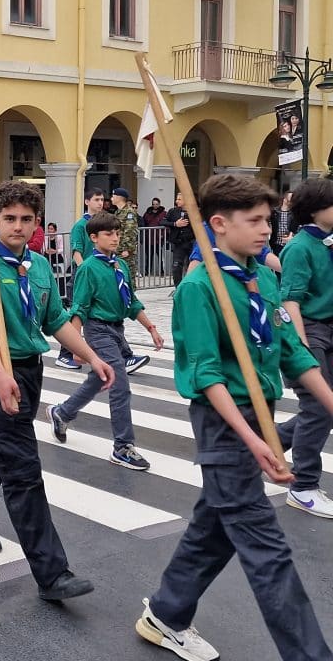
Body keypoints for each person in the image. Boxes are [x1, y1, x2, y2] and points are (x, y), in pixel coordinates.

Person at [136, 174, 333, 661]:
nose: (267, 229)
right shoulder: (199, 287)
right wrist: (252, 440)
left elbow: (293, 351)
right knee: (267, 548)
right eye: (255, 221)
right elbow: (205, 376)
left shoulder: (262, 278)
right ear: (219, 224)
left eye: (269, 219)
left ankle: (166, 612)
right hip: (224, 422)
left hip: (259, 413)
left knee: (215, 526)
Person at [0, 181, 112, 601]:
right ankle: (51, 573)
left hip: (29, 369)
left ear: (36, 222)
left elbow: (55, 320)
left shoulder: (39, 266)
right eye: (9, 219)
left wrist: (91, 356)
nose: (17, 227)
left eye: (26, 219)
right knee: (22, 468)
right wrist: (1, 373)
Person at [47, 213, 164, 469]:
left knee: (101, 377)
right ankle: (123, 446)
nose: (115, 238)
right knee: (119, 385)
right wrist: (75, 345)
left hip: (117, 331)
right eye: (108, 234)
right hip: (98, 330)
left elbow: (132, 302)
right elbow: (79, 308)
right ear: (94, 237)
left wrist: (151, 328)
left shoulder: (119, 266)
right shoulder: (88, 268)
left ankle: (63, 412)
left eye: (117, 233)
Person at [275, 177, 333, 518]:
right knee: (319, 407)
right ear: (315, 210)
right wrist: (303, 347)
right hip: (310, 330)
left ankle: (268, 446)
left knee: (325, 407)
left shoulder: (328, 242)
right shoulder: (299, 247)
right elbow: (290, 301)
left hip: (329, 327)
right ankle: (304, 486)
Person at [56, 188, 105, 370]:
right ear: (87, 202)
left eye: (102, 199)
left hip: (99, 274)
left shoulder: (102, 224)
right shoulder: (80, 226)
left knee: (97, 315)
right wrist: (86, 272)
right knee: (77, 315)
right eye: (96, 199)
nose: (100, 203)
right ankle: (65, 354)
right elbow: (77, 252)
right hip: (83, 275)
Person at [164, 192, 194, 289]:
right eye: (177, 199)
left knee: (192, 267)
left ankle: (190, 287)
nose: (177, 201)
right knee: (176, 267)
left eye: (179, 199)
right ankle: (178, 287)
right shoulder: (173, 211)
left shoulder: (195, 211)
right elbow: (163, 221)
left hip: (192, 243)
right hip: (179, 244)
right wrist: (175, 224)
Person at [112, 187, 139, 287]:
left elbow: (130, 231)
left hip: (125, 251)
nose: (111, 198)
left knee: (128, 277)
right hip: (117, 250)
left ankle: (131, 299)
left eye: (113, 196)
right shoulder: (117, 212)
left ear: (119, 197)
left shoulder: (129, 212)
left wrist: (127, 249)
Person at [270, 189, 293, 255]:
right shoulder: (274, 212)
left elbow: (297, 228)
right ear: (284, 199)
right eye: (291, 197)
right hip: (276, 243)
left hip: (289, 243)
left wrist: (292, 236)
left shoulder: (294, 213)